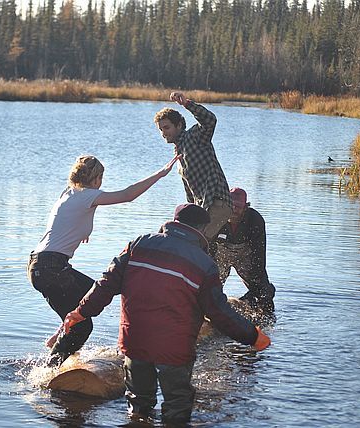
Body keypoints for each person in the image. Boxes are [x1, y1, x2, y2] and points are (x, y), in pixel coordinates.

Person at [60, 203, 271, 425]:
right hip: (175, 348)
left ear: (174, 221)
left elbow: (105, 284)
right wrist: (252, 336)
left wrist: (80, 312)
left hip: (135, 340)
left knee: (138, 402)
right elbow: (219, 312)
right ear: (202, 229)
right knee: (177, 405)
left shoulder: (139, 244)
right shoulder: (204, 264)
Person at [27, 154, 179, 366]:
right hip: (51, 268)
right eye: (101, 177)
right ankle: (49, 370)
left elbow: (65, 220)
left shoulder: (69, 193)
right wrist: (161, 174)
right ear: (96, 178)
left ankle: (59, 336)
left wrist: (81, 231)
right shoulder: (88, 196)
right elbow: (128, 195)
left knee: (93, 293)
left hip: (39, 264)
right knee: (84, 324)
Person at [154, 91, 232, 241]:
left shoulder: (194, 137)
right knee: (186, 240)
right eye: (161, 129)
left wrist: (187, 104)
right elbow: (190, 191)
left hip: (218, 203)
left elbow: (210, 120)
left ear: (179, 125)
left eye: (166, 127)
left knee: (193, 242)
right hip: (203, 208)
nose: (163, 133)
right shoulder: (179, 153)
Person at [211, 188, 276, 312]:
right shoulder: (216, 217)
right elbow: (209, 247)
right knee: (209, 288)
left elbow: (259, 253)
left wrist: (257, 284)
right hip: (220, 255)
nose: (234, 210)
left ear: (245, 207)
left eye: (238, 207)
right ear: (226, 205)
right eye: (231, 206)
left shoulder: (255, 220)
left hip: (245, 256)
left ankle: (262, 314)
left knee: (264, 292)